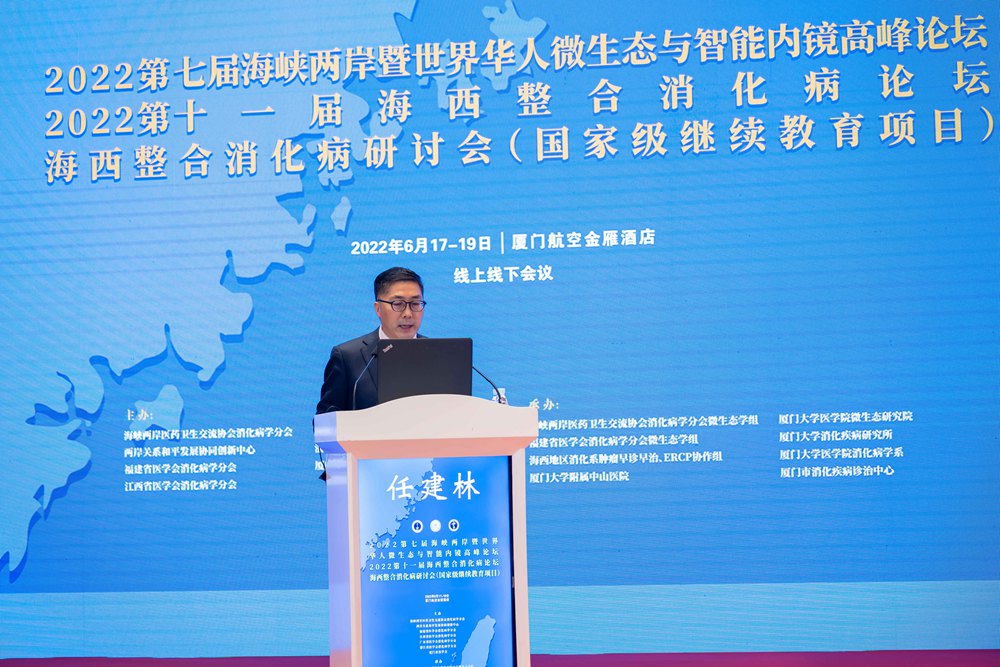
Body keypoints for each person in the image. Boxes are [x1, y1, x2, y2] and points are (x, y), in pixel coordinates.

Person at [316, 267, 426, 414]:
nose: (408, 313)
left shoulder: (440, 355)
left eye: (415, 303)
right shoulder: (347, 357)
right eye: (398, 304)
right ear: (378, 309)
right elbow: (325, 419)